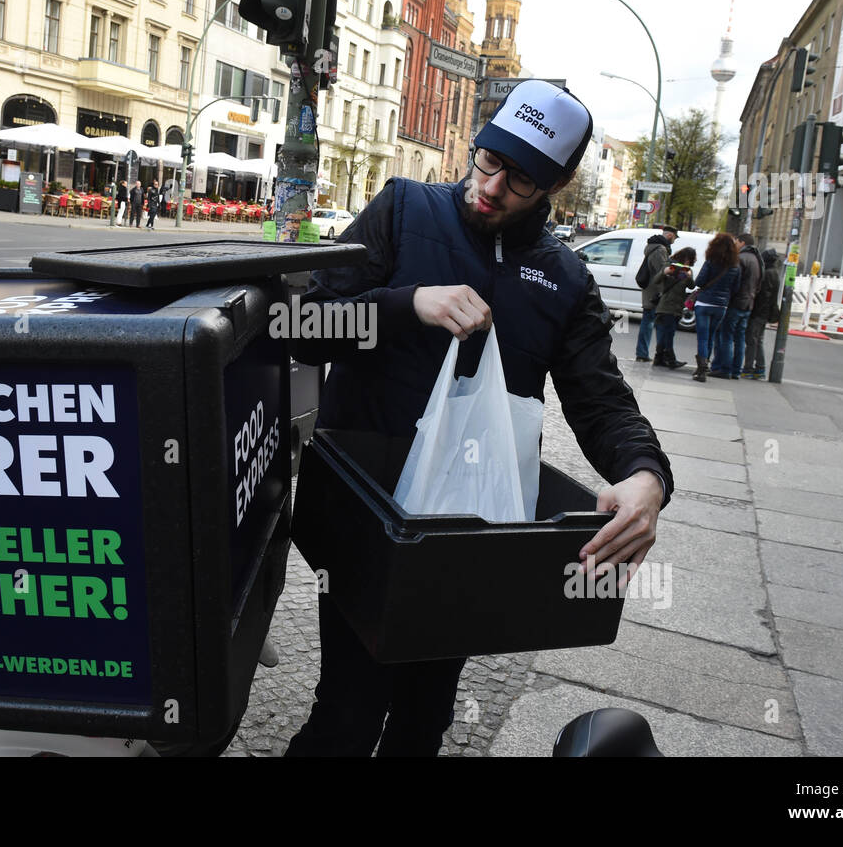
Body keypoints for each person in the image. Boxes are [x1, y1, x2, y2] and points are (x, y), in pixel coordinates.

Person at [284, 79, 673, 757]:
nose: (491, 187)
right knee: (346, 715)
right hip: (367, 517)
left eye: (520, 180)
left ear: (560, 182)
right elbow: (302, 324)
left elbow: (600, 398)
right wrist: (406, 305)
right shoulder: (403, 210)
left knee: (423, 719)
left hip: (468, 535)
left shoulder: (566, 280)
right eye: (488, 159)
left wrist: (643, 473)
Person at [691, 233, 740, 383]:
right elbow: (736, 288)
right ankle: (706, 366)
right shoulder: (735, 266)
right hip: (721, 306)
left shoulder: (710, 261)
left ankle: (701, 370)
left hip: (704, 303)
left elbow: (699, 281)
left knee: (702, 338)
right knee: (711, 336)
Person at [712, 234, 762, 379]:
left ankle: (725, 369)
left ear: (742, 242)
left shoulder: (740, 258)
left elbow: (734, 282)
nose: (734, 245)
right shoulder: (756, 259)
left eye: (736, 242)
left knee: (726, 336)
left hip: (736, 302)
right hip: (748, 304)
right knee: (739, 338)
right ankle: (736, 370)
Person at [646, 247, 696, 369]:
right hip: (665, 306)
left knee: (666, 334)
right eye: (691, 259)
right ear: (686, 257)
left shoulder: (687, 270)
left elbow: (691, 286)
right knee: (668, 333)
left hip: (677, 307)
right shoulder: (669, 265)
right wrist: (665, 272)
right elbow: (656, 280)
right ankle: (671, 360)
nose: (692, 262)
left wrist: (689, 276)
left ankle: (659, 358)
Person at [635, 226, 678, 362]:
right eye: (675, 237)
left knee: (649, 321)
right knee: (652, 322)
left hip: (651, 289)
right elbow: (661, 271)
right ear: (670, 235)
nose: (675, 241)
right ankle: (646, 354)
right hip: (655, 291)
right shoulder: (660, 249)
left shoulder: (654, 247)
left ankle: (646, 353)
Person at [741, 249, 782, 379]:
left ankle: (750, 368)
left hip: (759, 312)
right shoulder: (774, 273)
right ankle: (759, 368)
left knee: (753, 340)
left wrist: (754, 311)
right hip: (764, 313)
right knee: (757, 340)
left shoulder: (767, 274)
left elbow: (764, 296)